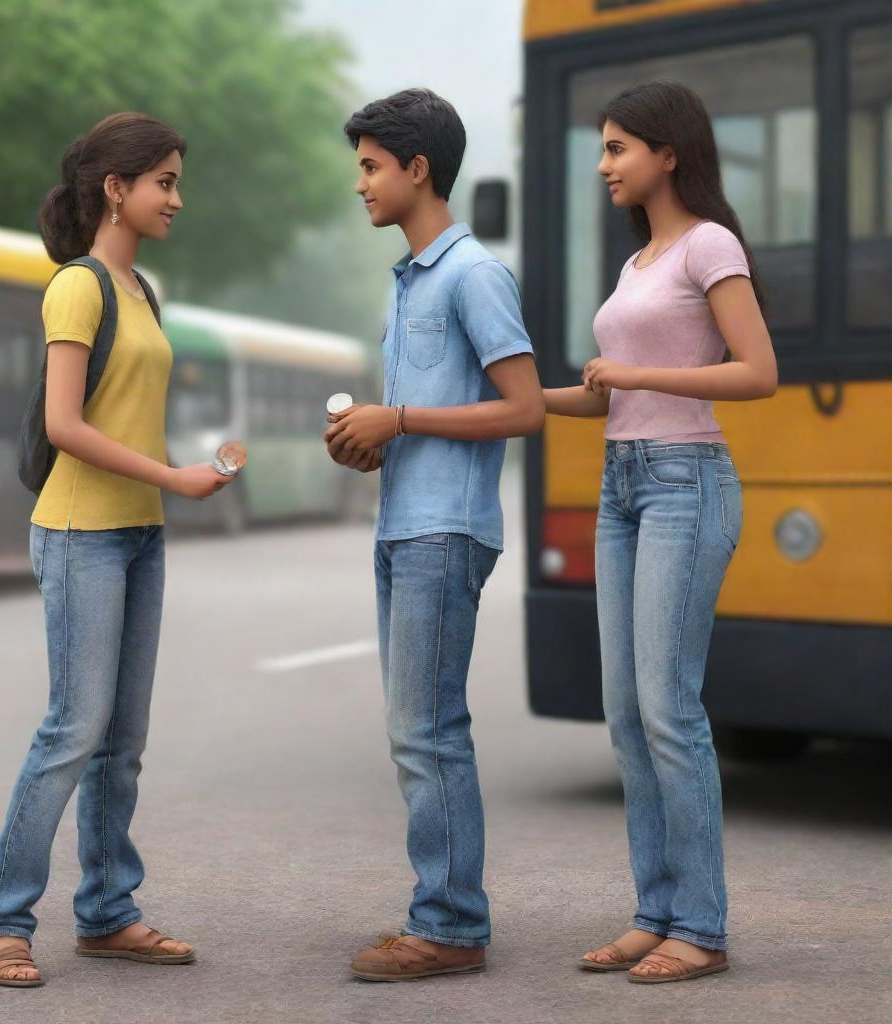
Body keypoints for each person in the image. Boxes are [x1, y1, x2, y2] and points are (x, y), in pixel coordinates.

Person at [0, 112, 233, 987]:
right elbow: (63, 424)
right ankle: (0, 920)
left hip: (137, 535)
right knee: (73, 730)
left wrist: (181, 480)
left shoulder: (141, 291)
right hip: (82, 529)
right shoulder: (77, 287)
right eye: (164, 180)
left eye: (176, 180)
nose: (177, 197)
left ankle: (108, 913)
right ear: (115, 190)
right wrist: (172, 473)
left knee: (122, 740)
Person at [542, 81, 777, 984]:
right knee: (626, 713)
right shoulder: (640, 262)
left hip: (687, 483)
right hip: (623, 487)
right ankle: (656, 911)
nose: (603, 166)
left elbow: (757, 373)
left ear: (666, 153)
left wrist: (638, 370)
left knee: (670, 710)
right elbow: (608, 394)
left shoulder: (710, 244)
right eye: (602, 149)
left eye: (615, 149)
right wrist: (508, 403)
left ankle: (703, 928)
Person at [324, 88, 545, 982]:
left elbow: (523, 408)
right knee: (414, 730)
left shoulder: (473, 275)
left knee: (428, 731)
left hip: (445, 533)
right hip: (405, 524)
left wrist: (402, 417)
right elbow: (428, 415)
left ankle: (450, 925)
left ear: (419, 170)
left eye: (373, 166)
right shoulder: (411, 280)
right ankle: (443, 912)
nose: (362, 184)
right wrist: (377, 440)